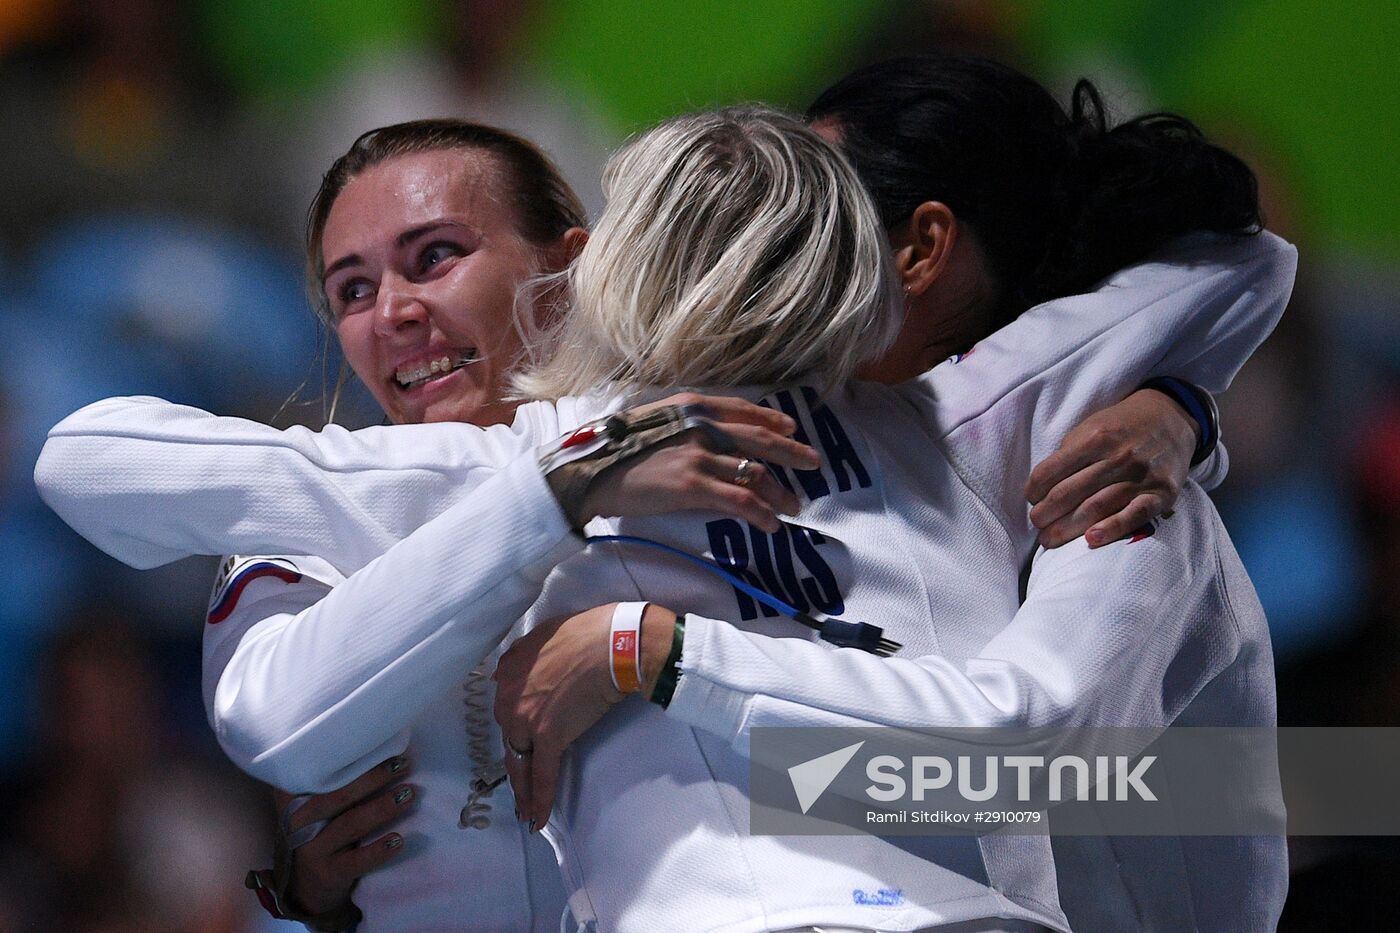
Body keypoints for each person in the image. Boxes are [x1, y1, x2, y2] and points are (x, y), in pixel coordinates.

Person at [37, 101, 1292, 933]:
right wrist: (560, 503)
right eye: (350, 287)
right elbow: (265, 706)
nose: (392, 314)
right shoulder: (500, 473)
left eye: (432, 258)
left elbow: (1061, 763)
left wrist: (649, 652)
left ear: (579, 262)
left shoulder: (1002, 451)